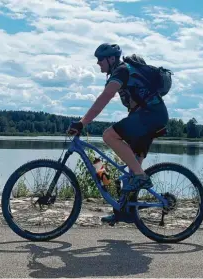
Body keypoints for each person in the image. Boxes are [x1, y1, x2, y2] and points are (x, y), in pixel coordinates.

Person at [66, 43, 169, 223]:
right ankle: (124, 211)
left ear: (111, 59)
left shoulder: (121, 71)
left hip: (151, 116)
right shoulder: (121, 72)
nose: (98, 63)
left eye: (100, 59)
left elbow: (104, 98)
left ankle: (141, 177)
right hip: (148, 117)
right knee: (129, 172)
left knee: (108, 135)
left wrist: (82, 123)